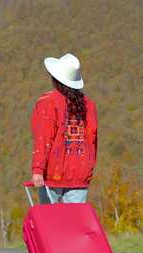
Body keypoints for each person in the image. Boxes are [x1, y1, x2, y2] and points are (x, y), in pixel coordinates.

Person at [31, 53, 98, 204]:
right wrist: (88, 169)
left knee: (50, 223)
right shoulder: (89, 105)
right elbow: (92, 142)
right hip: (79, 174)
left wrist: (37, 170)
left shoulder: (47, 102)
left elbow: (43, 139)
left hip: (52, 173)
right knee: (75, 225)